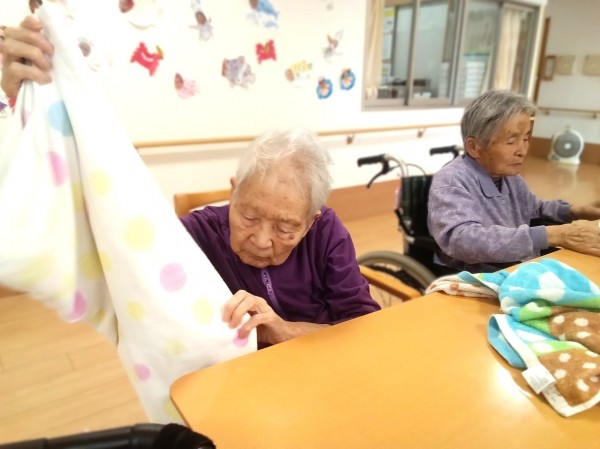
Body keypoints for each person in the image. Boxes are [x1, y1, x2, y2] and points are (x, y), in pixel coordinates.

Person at [1, 15, 380, 348]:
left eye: (285, 228)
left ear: (311, 220)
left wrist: (283, 330)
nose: (263, 240)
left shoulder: (326, 233)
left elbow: (364, 328)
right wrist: (30, 107)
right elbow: (103, 253)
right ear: (233, 191)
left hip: (317, 366)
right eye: (249, 216)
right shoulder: (196, 234)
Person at [428, 89, 600, 273]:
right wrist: (554, 235)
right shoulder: (452, 181)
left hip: (520, 267)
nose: (522, 150)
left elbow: (534, 208)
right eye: (511, 142)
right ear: (474, 147)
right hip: (480, 275)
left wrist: (575, 211)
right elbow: (462, 241)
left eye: (525, 139)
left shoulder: (510, 178)